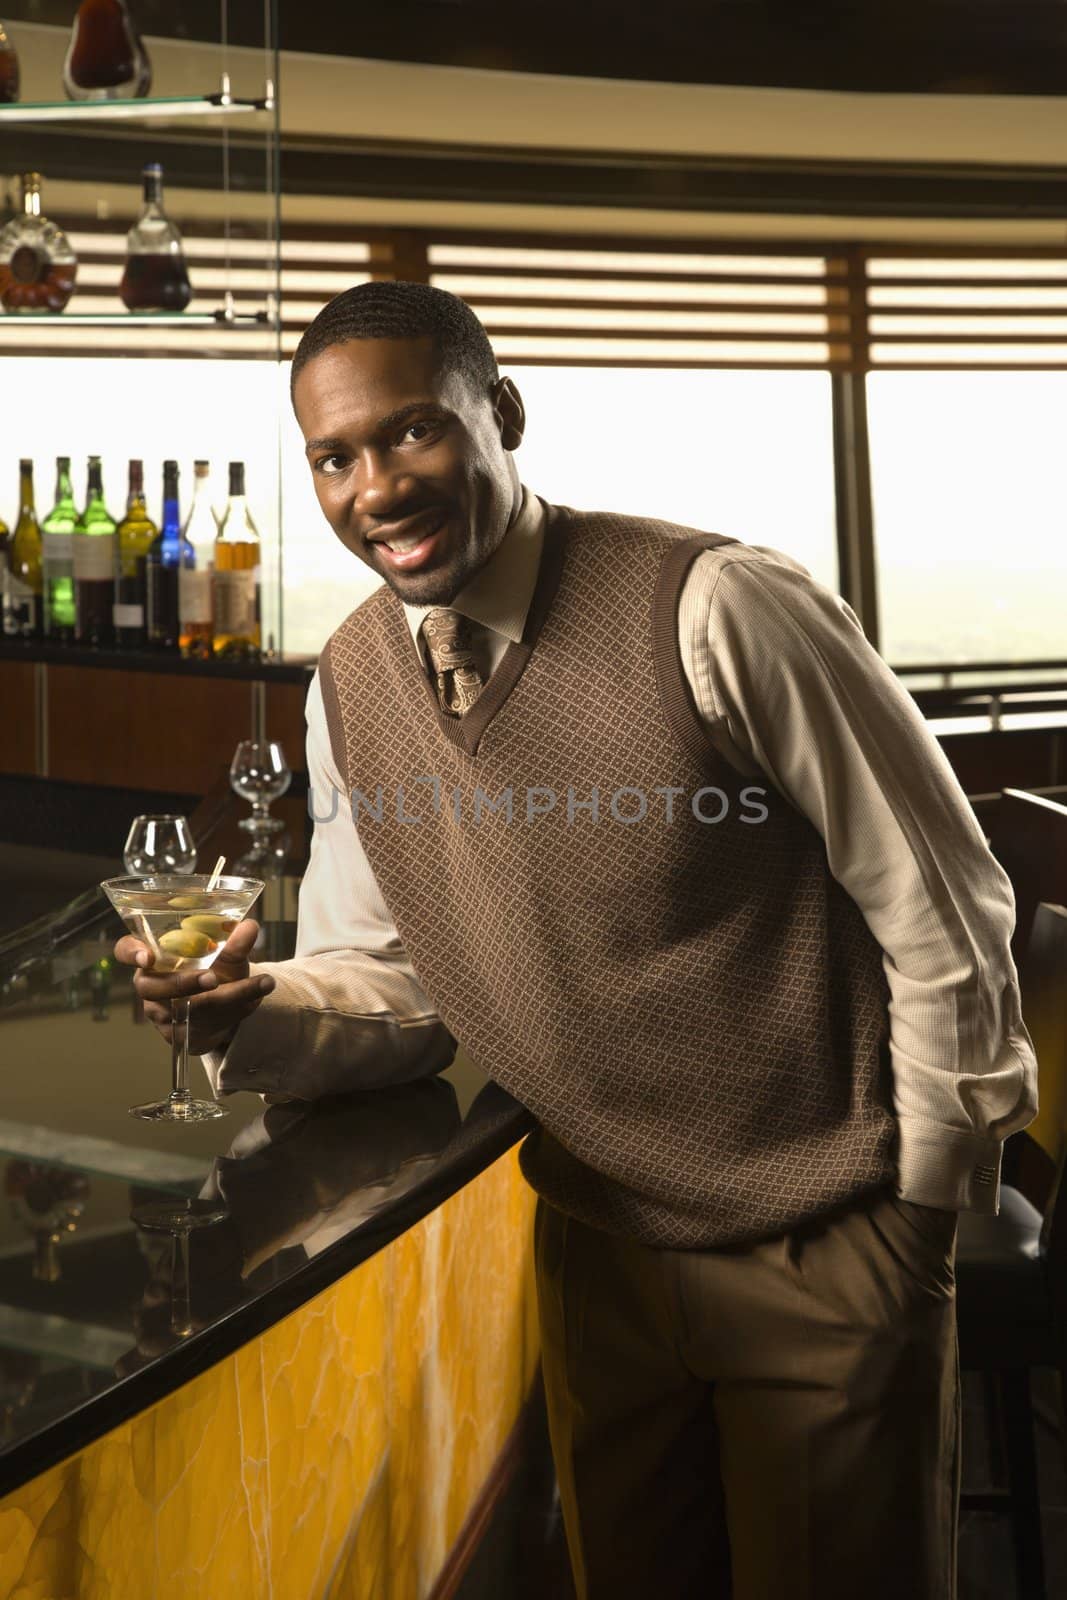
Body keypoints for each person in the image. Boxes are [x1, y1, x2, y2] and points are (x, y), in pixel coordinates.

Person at [115, 282, 1038, 1599]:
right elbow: (395, 977)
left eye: (414, 433)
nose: (376, 486)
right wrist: (246, 1009)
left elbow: (945, 905)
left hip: (824, 1237)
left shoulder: (722, 607)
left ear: (503, 414)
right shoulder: (350, 686)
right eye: (335, 456)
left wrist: (922, 1201)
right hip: (595, 1242)